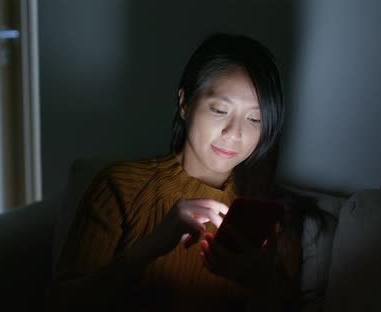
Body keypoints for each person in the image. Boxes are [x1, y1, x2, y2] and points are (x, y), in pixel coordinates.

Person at [45, 33, 317, 311]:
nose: (234, 133)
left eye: (254, 119)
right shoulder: (120, 188)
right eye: (220, 110)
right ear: (185, 103)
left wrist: (262, 284)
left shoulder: (269, 223)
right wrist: (151, 247)